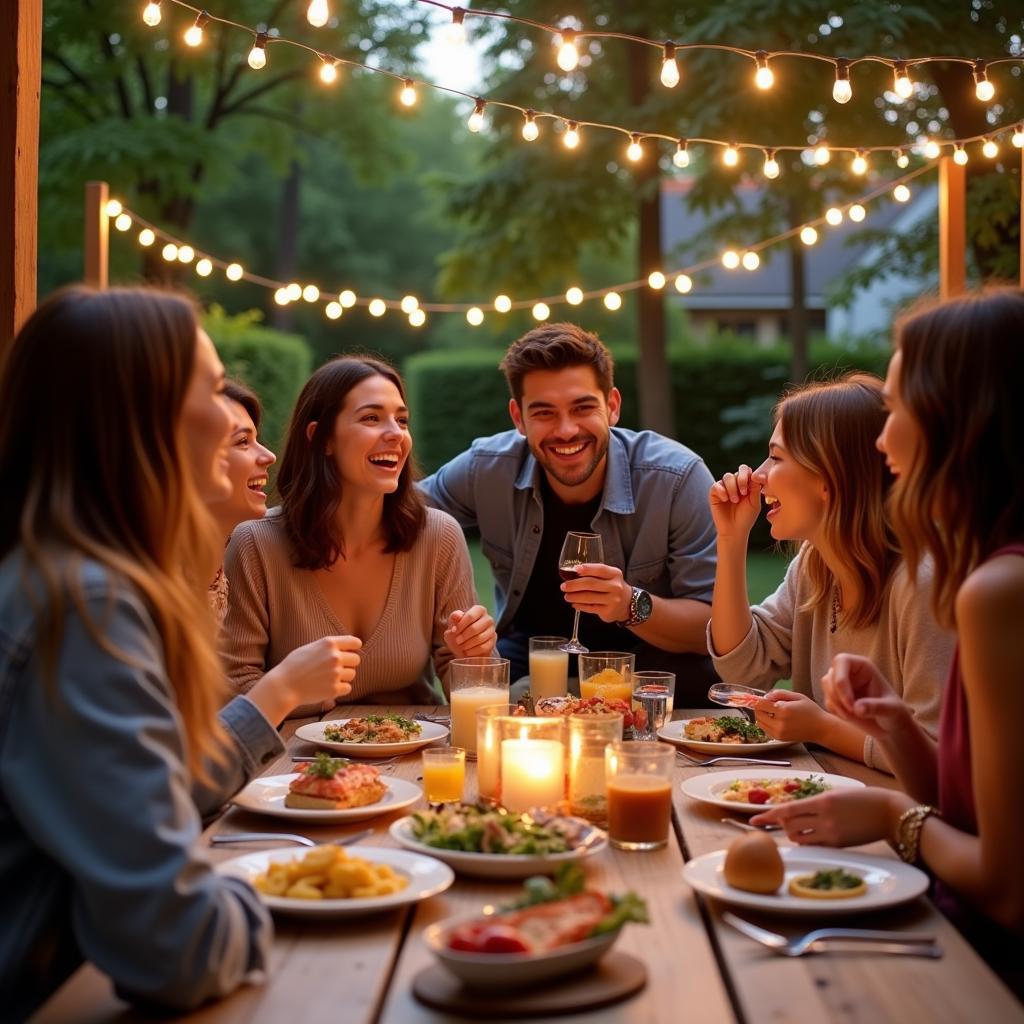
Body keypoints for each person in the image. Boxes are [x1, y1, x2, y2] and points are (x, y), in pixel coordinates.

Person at [0, 286, 358, 1019]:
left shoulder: (68, 574)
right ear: (140, 418)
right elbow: (179, 946)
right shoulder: (89, 606)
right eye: (208, 386)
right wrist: (274, 882)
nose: (234, 415)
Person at [752, 289, 1024, 990]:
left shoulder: (995, 589)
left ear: (958, 418)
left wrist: (893, 814)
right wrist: (899, 728)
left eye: (898, 407)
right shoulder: (982, 570)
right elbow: (978, 811)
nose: (880, 439)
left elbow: (1007, 886)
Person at [420, 322, 718, 704]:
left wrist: (629, 603)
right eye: (543, 412)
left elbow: (711, 629)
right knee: (480, 707)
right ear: (518, 417)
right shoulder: (487, 467)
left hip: (647, 665)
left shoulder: (677, 478)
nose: (565, 430)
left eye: (582, 408)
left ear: (612, 406)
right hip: (528, 658)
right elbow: (399, 514)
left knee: (706, 684)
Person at [708, 374, 953, 769]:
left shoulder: (921, 583)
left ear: (828, 477)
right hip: (831, 794)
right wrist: (730, 541)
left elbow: (941, 756)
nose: (757, 474)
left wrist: (822, 728)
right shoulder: (816, 565)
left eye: (777, 456)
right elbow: (742, 666)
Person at [224, 356, 495, 706]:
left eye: (402, 420)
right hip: (297, 759)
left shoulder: (438, 537)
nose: (396, 434)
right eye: (371, 418)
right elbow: (236, 690)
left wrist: (475, 655)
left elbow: (474, 696)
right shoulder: (256, 545)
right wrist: (295, 691)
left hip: (415, 752)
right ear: (321, 438)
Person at [209, 379, 363, 716]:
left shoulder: (213, 570)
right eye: (242, 442)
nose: (268, 454)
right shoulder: (133, 593)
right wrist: (286, 687)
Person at [207, 379, 277, 623]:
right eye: (242, 442)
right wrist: (295, 664)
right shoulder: (140, 582)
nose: (269, 456)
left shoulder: (223, 564)